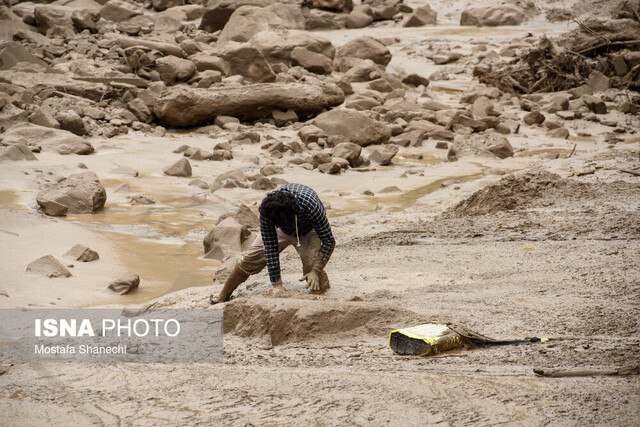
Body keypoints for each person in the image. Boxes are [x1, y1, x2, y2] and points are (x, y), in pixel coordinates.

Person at [210, 183, 335, 304]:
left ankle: (321, 289)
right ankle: (222, 296)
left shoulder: (311, 207)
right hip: (281, 228)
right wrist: (277, 285)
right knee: (248, 261)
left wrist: (315, 271)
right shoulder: (267, 209)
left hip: (308, 230)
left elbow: (329, 240)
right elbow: (270, 247)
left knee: (312, 269)